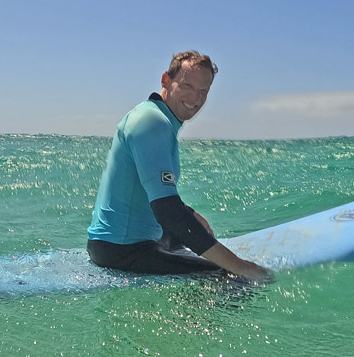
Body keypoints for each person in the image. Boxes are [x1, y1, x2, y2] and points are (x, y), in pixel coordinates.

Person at [87, 51, 271, 282]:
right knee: (229, 278)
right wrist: (240, 266)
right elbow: (168, 211)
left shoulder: (159, 118)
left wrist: (191, 214)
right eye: (187, 86)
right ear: (165, 79)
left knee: (191, 231)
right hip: (122, 250)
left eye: (203, 91)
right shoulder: (151, 122)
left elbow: (149, 188)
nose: (195, 98)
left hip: (128, 239)